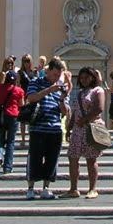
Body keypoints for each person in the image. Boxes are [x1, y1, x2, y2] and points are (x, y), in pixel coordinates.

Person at [23, 56, 70, 199]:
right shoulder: (36, 82)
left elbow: (65, 111)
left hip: (55, 128)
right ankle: (30, 188)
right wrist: (49, 90)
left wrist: (62, 98)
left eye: (59, 75)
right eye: (55, 74)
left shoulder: (61, 87)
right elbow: (31, 98)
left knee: (52, 160)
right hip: (38, 128)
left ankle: (46, 187)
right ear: (48, 71)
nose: (56, 77)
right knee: (34, 158)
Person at [66, 66, 106, 198]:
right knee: (73, 157)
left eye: (87, 77)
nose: (84, 80)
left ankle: (92, 189)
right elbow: (75, 110)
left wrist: (85, 119)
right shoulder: (79, 93)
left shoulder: (98, 90)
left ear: (93, 77)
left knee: (91, 159)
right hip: (78, 129)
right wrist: (69, 127)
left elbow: (99, 108)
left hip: (90, 128)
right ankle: (73, 189)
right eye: (82, 78)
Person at [0, 70, 25, 174]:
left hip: (1, 115)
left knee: (0, 139)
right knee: (10, 142)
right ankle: (8, 167)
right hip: (13, 116)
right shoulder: (19, 90)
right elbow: (21, 105)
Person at [18, 54, 39, 145]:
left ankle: (31, 138)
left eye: (28, 61)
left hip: (32, 96)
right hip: (23, 96)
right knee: (22, 119)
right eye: (25, 61)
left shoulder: (34, 72)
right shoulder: (20, 73)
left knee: (32, 118)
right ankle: (23, 139)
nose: (26, 63)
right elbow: (18, 85)